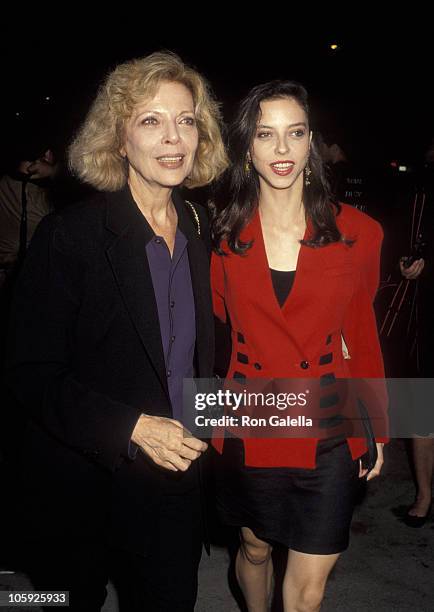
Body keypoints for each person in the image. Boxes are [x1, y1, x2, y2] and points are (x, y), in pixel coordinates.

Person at [5, 51, 227, 611]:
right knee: (60, 601)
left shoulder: (201, 228)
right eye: (151, 120)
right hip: (83, 478)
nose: (173, 138)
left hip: (174, 479)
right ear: (118, 140)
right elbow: (29, 373)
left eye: (186, 120)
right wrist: (131, 426)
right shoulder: (70, 236)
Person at [210, 80, 388, 612]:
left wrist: (377, 426)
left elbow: (361, 335)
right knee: (254, 546)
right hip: (251, 414)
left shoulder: (360, 233)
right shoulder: (222, 237)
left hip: (330, 425)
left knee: (308, 592)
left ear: (312, 142)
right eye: (266, 135)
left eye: (295, 133)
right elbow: (221, 326)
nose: (282, 150)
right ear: (247, 147)